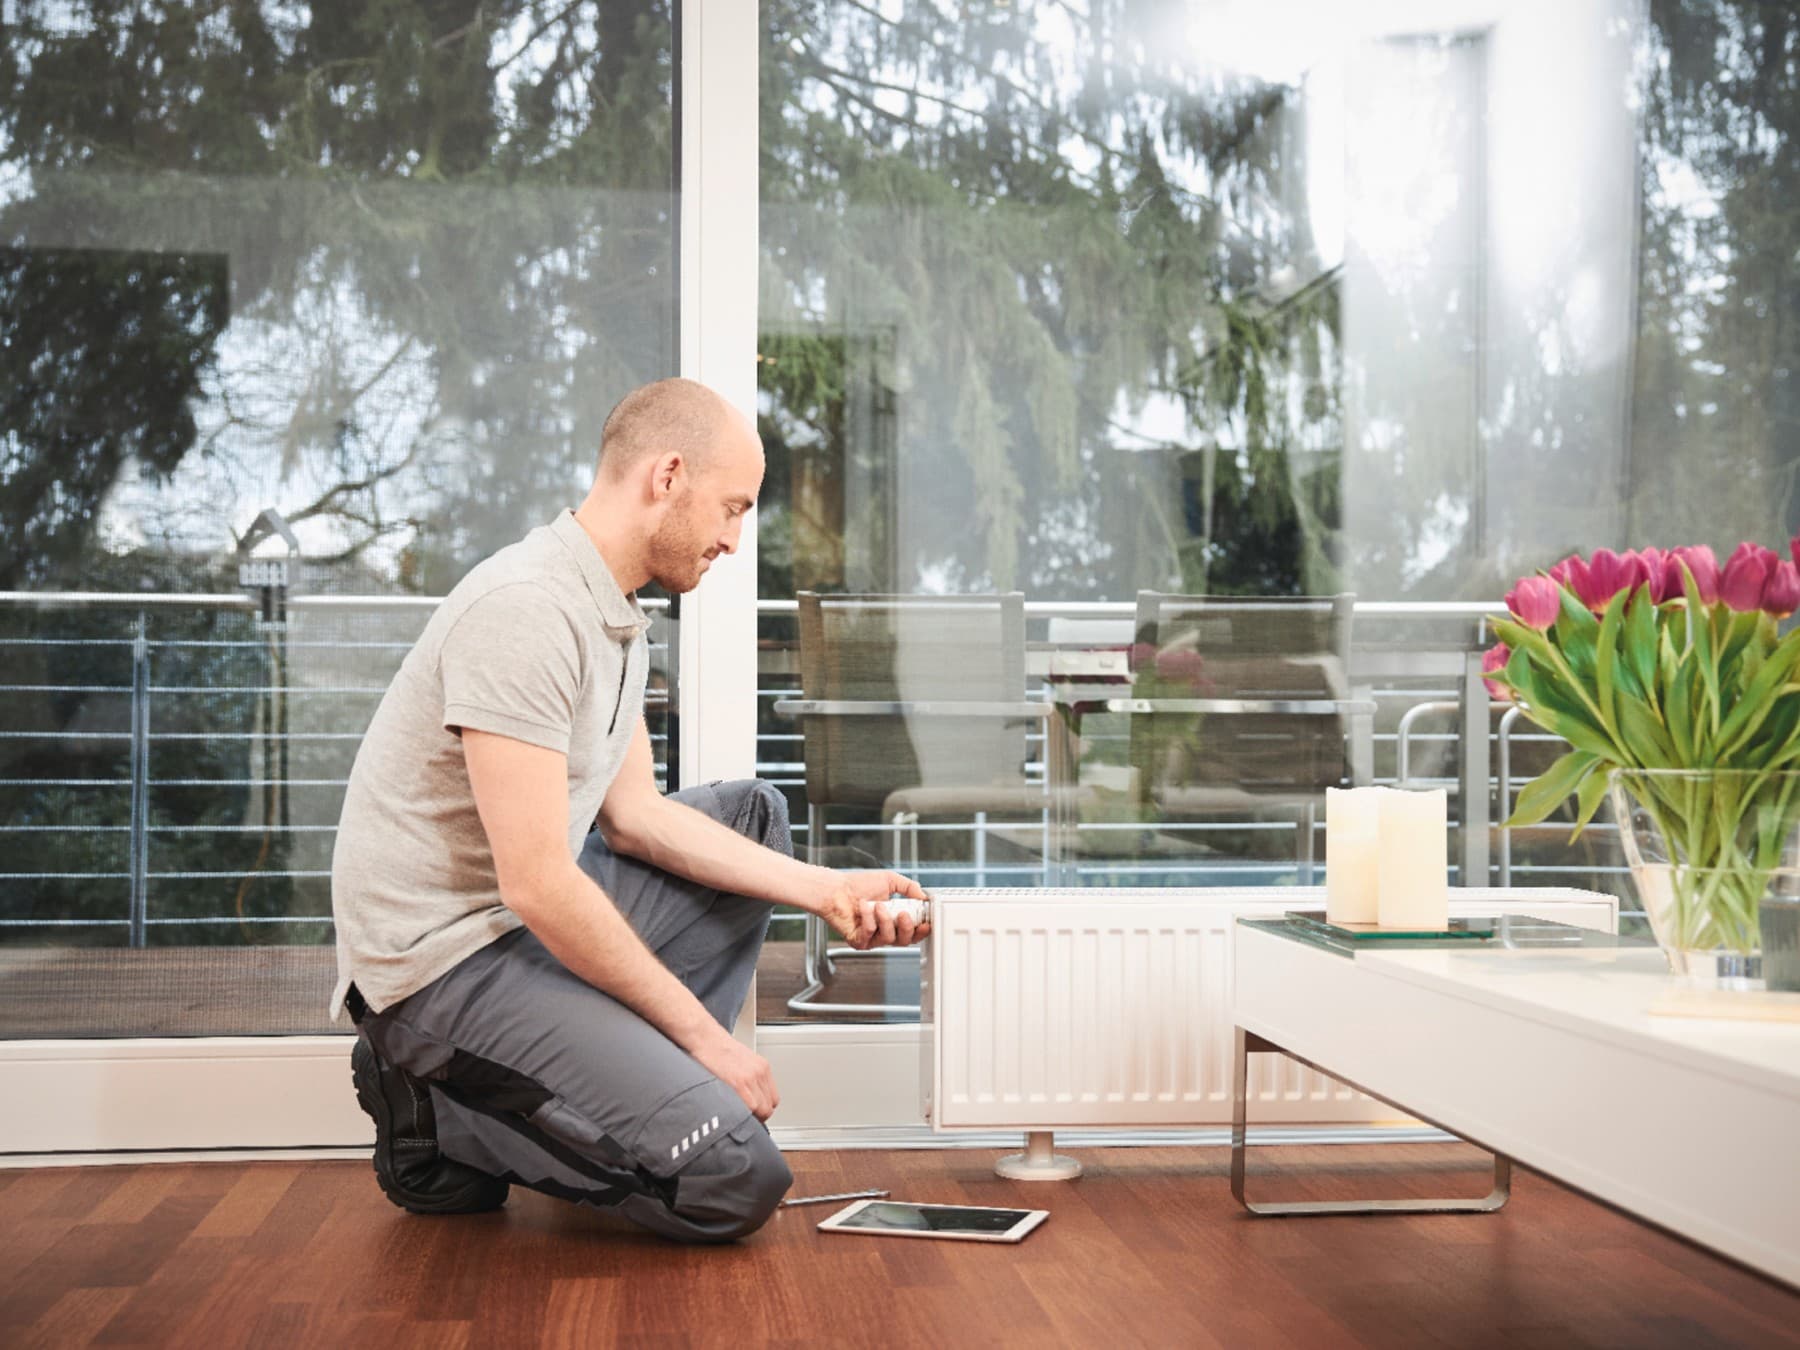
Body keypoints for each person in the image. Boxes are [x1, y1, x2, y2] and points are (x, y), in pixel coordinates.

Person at [330, 377, 928, 1242]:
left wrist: (826, 890)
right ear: (668, 474)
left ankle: (616, 1083)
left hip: (517, 928)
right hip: (440, 969)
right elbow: (537, 881)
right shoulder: (527, 612)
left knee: (750, 814)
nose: (733, 538)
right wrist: (709, 1044)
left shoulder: (611, 610)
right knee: (733, 1179)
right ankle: (433, 1107)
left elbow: (636, 817)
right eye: (731, 508)